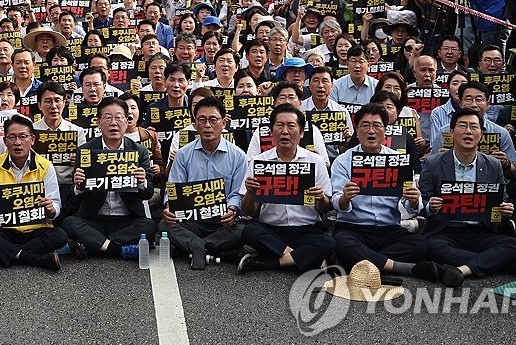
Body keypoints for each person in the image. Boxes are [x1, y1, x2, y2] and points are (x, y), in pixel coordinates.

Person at [330, 104, 464, 287]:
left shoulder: (398, 160)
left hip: (389, 229)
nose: (371, 130)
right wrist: (345, 198)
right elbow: (336, 202)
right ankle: (405, 268)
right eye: (365, 125)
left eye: (377, 125)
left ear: (385, 131)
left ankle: (361, 262)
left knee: (420, 245)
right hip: (353, 227)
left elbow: (408, 206)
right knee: (340, 241)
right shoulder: (343, 161)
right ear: (357, 130)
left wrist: (413, 200)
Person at [418, 108, 516, 280]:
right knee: (429, 247)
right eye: (463, 126)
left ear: (481, 134)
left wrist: (505, 210)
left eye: (474, 127)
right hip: (446, 231)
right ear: (452, 132)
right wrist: (431, 206)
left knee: (514, 245)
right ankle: (502, 263)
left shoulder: (493, 165)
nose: (468, 131)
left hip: (481, 231)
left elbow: (500, 200)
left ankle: (462, 269)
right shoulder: (433, 163)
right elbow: (421, 203)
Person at [238, 104, 335, 274]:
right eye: (279, 125)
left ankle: (267, 263)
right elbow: (249, 211)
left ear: (302, 132)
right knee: (249, 231)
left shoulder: (316, 161)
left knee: (330, 243)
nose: (285, 131)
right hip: (272, 229)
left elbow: (325, 209)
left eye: (291, 126)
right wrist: (250, 192)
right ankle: (303, 258)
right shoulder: (259, 162)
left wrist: (320, 198)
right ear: (271, 131)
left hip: (307, 229)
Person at [62, 96, 155, 259]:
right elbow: (75, 199)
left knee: (149, 226)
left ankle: (96, 246)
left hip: (128, 219)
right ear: (98, 122)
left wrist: (142, 181)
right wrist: (78, 186)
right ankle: (118, 249)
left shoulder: (139, 151)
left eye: (119, 117)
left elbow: (147, 194)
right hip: (95, 218)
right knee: (70, 223)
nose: (113, 123)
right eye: (107, 118)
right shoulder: (86, 151)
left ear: (127, 121)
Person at [0, 113, 67, 270]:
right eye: (12, 137)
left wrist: (51, 209)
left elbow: (55, 206)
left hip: (36, 229)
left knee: (60, 235)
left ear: (32, 139)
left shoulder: (45, 166)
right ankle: (33, 258)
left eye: (23, 137)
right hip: (4, 230)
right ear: (5, 141)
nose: (18, 143)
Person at [160, 97, 246, 269]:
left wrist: (232, 210)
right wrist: (169, 206)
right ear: (195, 124)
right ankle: (212, 249)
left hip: (222, 221)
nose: (207, 125)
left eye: (213, 120)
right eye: (202, 120)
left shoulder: (238, 156)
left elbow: (237, 193)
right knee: (164, 224)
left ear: (223, 123)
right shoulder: (183, 154)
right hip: (191, 220)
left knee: (244, 230)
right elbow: (174, 188)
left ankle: (194, 247)